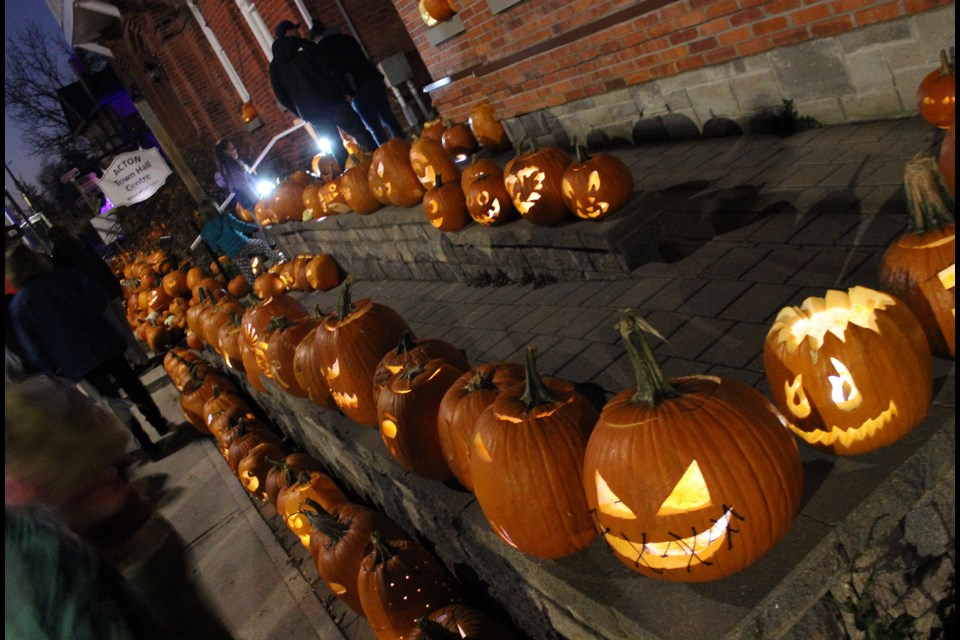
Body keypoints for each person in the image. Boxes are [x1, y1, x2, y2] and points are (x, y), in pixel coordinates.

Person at [5, 244, 172, 461]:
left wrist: (54, 371)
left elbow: (34, 348)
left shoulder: (20, 306)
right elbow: (98, 299)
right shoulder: (65, 277)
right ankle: (158, 422)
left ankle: (147, 446)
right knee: (132, 385)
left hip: (74, 359)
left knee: (112, 401)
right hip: (101, 339)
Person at [269, 19, 376, 169]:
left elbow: (282, 97)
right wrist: (346, 90)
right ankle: (378, 164)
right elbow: (329, 69)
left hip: (313, 114)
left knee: (336, 147)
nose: (298, 31)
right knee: (360, 133)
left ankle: (351, 176)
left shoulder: (275, 67)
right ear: (288, 33)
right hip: (332, 101)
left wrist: (301, 111)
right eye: (295, 29)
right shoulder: (307, 47)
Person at [47, 225, 149, 369]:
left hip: (93, 297)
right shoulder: (81, 242)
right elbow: (99, 263)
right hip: (107, 285)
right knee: (125, 326)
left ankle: (137, 361)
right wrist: (114, 282)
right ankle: (142, 358)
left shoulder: (59, 258)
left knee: (116, 331)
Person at [309, 20, 404, 147]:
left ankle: (387, 153)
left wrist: (346, 91)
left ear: (317, 37)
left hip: (357, 88)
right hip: (373, 78)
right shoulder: (348, 38)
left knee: (372, 125)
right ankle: (403, 145)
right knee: (388, 117)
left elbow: (335, 72)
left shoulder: (323, 48)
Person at [197, 197, 281, 285]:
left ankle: (255, 289)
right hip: (242, 243)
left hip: (233, 253)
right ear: (215, 207)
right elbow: (240, 226)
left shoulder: (206, 232)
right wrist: (255, 229)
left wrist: (223, 248)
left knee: (246, 271)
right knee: (261, 244)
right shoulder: (225, 217)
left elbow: (214, 247)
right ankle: (277, 261)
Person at [214, 138, 260, 212]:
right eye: (232, 148)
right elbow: (243, 185)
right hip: (253, 200)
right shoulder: (232, 167)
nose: (235, 150)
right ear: (225, 152)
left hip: (250, 200)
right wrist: (258, 201)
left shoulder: (229, 167)